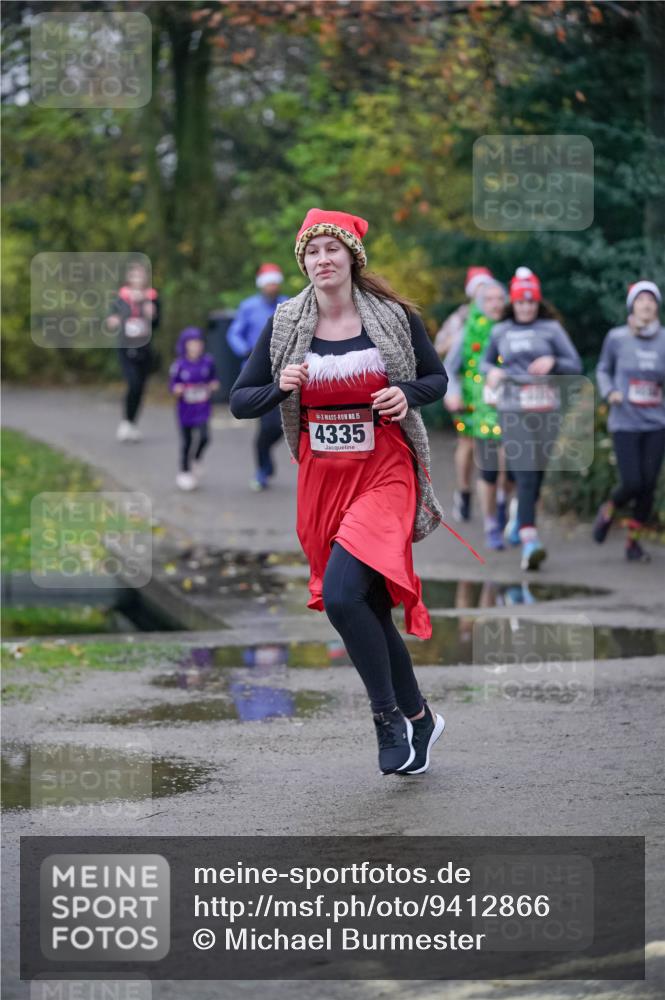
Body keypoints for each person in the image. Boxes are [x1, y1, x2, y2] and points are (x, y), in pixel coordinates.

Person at [230, 208, 448, 776]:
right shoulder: (284, 325)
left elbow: (436, 379)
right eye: (312, 251)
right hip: (323, 479)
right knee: (362, 606)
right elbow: (239, 399)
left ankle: (385, 719)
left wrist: (406, 393)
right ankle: (420, 718)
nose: (322, 259)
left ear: (352, 257)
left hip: (384, 471)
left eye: (333, 249)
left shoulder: (394, 318)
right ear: (302, 262)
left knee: (346, 594)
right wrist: (278, 384)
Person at [483, 267, 582, 570]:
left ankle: (518, 523)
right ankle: (530, 541)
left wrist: (553, 361)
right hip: (513, 409)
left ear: (538, 303)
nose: (526, 307)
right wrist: (494, 371)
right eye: (521, 302)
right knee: (526, 473)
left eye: (531, 302)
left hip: (546, 410)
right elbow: (486, 362)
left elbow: (575, 363)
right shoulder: (501, 331)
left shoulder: (551, 330)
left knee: (536, 475)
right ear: (513, 303)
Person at [593, 280, 665, 562]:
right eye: (641, 300)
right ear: (632, 306)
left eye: (651, 300)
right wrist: (610, 391)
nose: (646, 305)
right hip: (625, 421)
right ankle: (609, 508)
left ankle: (633, 543)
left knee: (648, 486)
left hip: (657, 422)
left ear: (657, 307)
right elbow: (602, 368)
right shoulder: (617, 338)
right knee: (633, 482)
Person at [444, 278, 514, 549]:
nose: (496, 304)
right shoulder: (467, 331)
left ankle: (501, 501)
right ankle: (466, 494)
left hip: (509, 404)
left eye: (500, 299)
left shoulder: (512, 328)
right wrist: (453, 394)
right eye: (489, 300)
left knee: (510, 460)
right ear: (479, 304)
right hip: (475, 404)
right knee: (471, 447)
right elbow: (449, 367)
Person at [436, 266, 494, 522]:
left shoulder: (498, 315)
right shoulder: (460, 318)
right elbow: (439, 348)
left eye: (488, 289)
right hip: (467, 391)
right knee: (468, 443)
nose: (484, 294)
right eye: (479, 289)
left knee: (494, 446)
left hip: (492, 392)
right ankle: (464, 492)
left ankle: (494, 501)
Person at [227, 264, 288, 490]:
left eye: (275, 283)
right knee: (268, 424)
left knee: (281, 425)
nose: (272, 286)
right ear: (262, 285)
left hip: (283, 370)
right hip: (257, 373)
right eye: (268, 283)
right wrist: (243, 349)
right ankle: (262, 470)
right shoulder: (248, 307)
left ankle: (265, 458)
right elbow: (234, 332)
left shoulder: (288, 304)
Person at [106, 261, 160, 442]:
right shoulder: (121, 298)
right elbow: (111, 319)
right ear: (129, 278)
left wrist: (152, 315)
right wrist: (114, 320)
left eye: (141, 275)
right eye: (135, 275)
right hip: (126, 347)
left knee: (141, 387)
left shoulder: (152, 297)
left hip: (144, 348)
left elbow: (157, 324)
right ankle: (125, 422)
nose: (138, 278)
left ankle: (132, 423)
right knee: (133, 383)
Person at [169, 327, 219, 491]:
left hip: (203, 408)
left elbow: (214, 379)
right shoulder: (179, 365)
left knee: (205, 437)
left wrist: (212, 385)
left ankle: (197, 458)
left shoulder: (208, 362)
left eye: (198, 343)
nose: (196, 347)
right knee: (187, 441)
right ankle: (184, 471)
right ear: (184, 345)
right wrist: (178, 389)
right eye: (192, 344)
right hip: (185, 410)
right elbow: (173, 385)